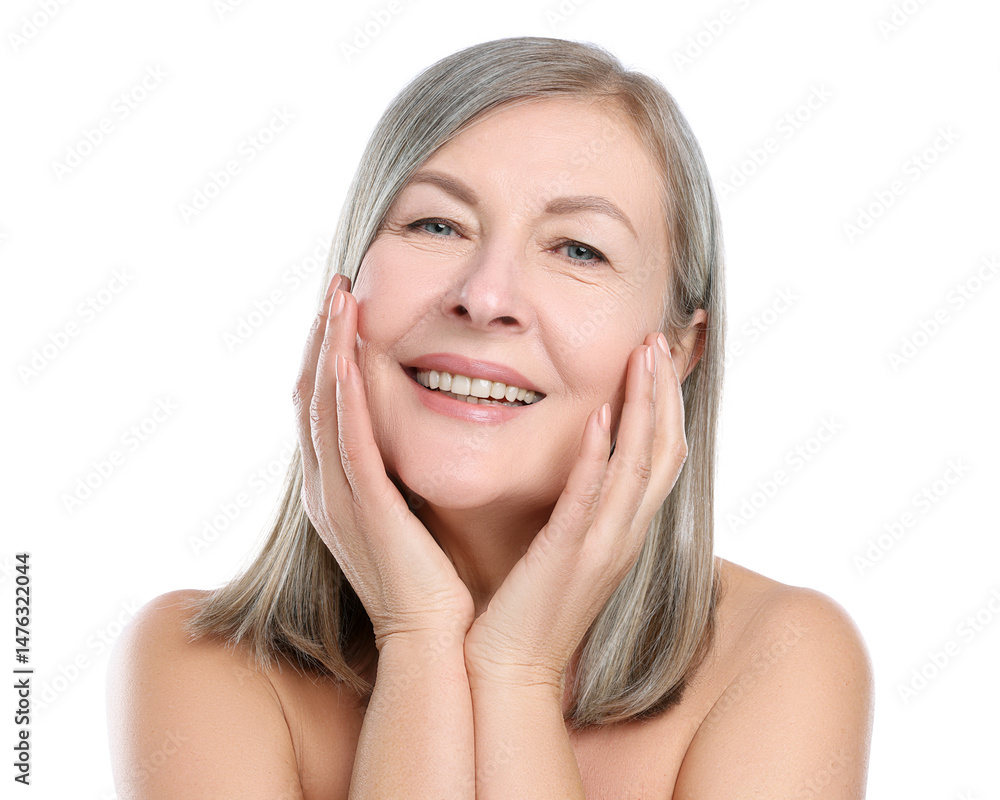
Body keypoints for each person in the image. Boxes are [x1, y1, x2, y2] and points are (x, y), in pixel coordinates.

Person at [106, 36, 874, 798]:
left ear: (677, 351)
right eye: (436, 225)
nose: (485, 297)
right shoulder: (198, 665)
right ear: (346, 284)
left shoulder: (779, 660)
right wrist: (418, 635)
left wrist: (517, 672)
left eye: (578, 250)